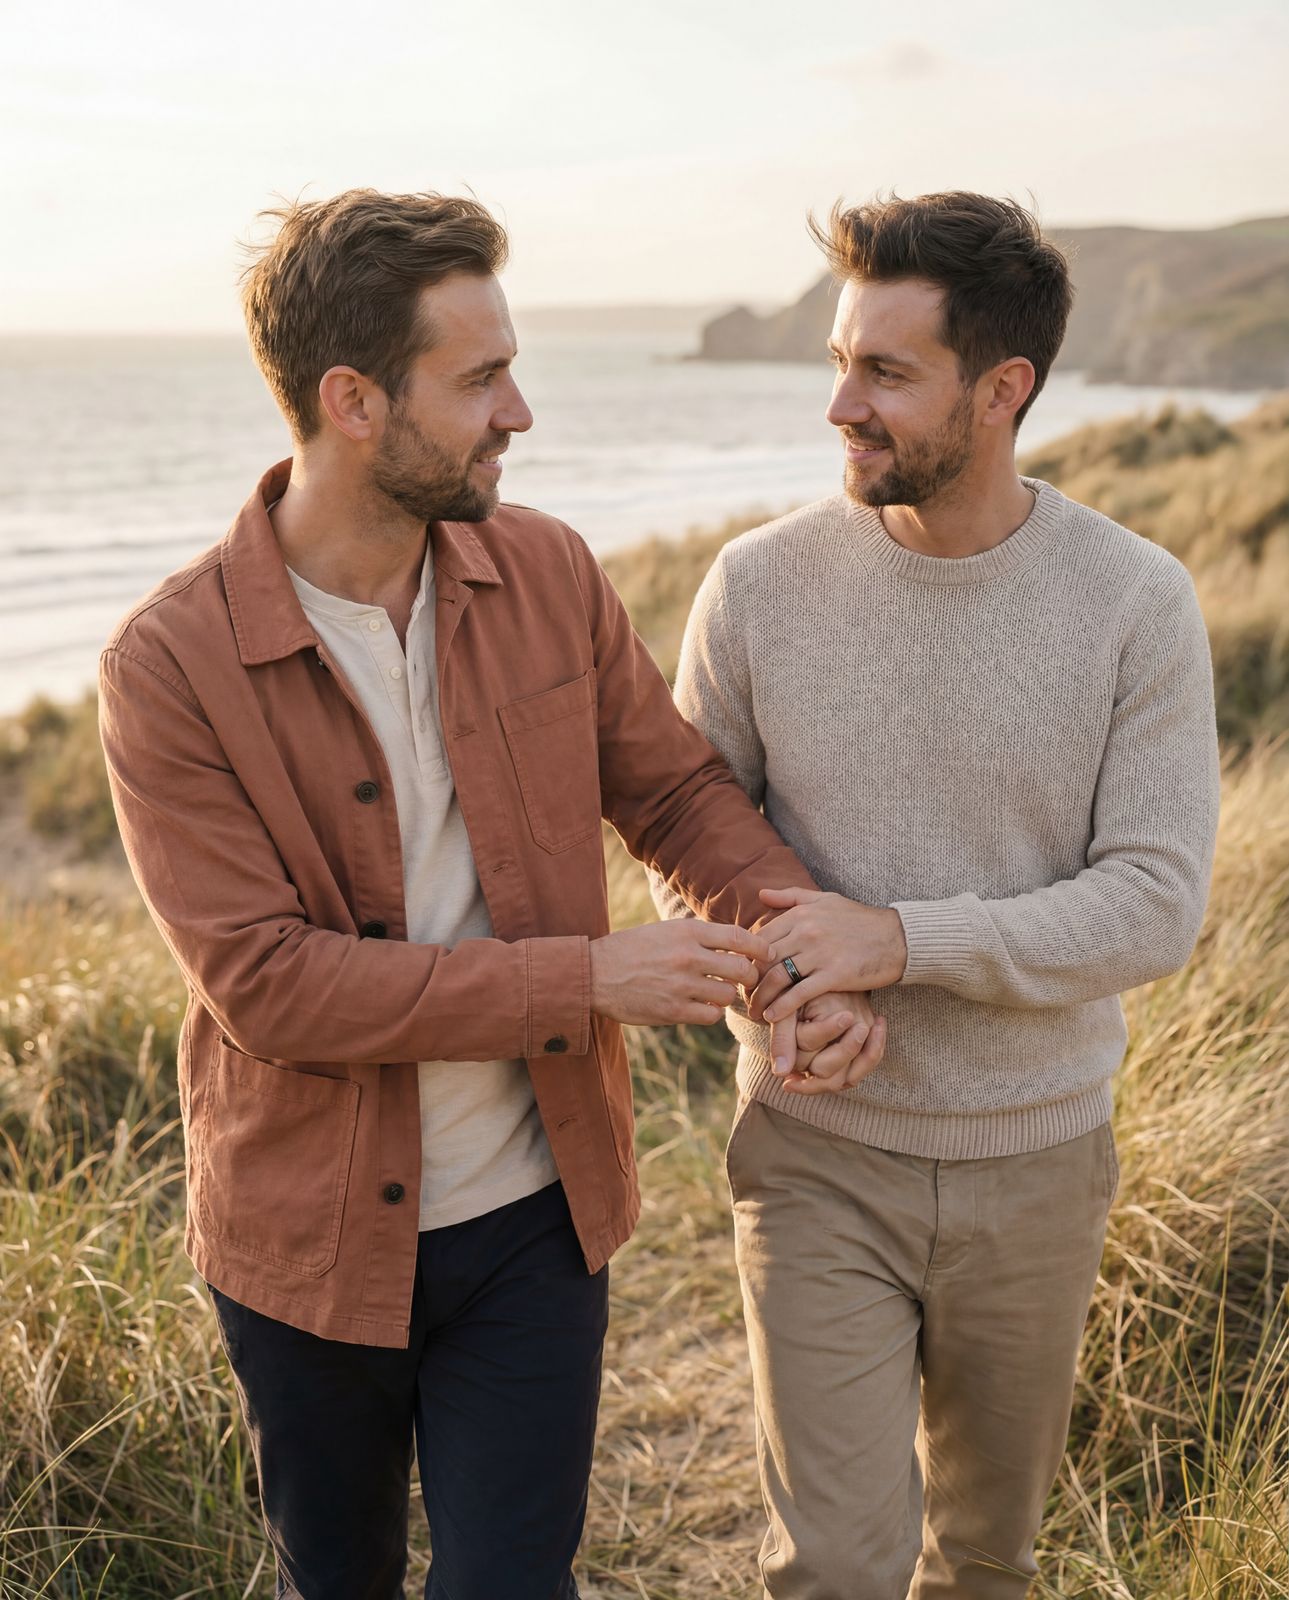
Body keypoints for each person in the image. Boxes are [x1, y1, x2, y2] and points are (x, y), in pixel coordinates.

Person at [97, 189, 883, 1600]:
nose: (518, 412)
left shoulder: (548, 571)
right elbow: (270, 987)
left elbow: (673, 794)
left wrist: (796, 945)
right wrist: (587, 978)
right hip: (306, 1238)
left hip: (537, 1215)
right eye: (479, 380)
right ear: (351, 401)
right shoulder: (168, 665)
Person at [656, 191, 1220, 1597]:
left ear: (1002, 388)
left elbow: (1154, 901)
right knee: (834, 1566)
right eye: (839, 362)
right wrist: (789, 989)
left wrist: (899, 944)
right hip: (813, 1152)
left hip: (1038, 1161)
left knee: (981, 1562)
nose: (840, 405)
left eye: (886, 373)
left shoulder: (1135, 601)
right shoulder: (753, 586)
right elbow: (686, 845)